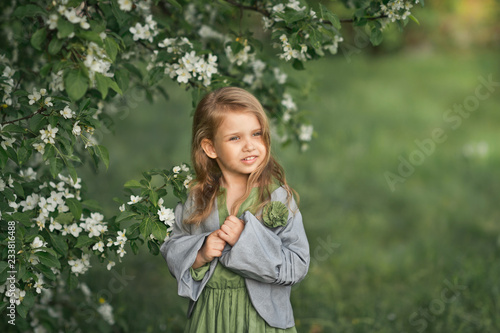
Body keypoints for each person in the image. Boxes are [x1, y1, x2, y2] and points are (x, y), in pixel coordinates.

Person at [160, 87, 310, 332]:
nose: (250, 146)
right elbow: (173, 247)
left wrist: (246, 239)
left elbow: (298, 265)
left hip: (262, 320)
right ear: (210, 148)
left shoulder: (277, 198)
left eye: (256, 134)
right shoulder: (198, 198)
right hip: (211, 315)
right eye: (235, 138)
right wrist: (201, 252)